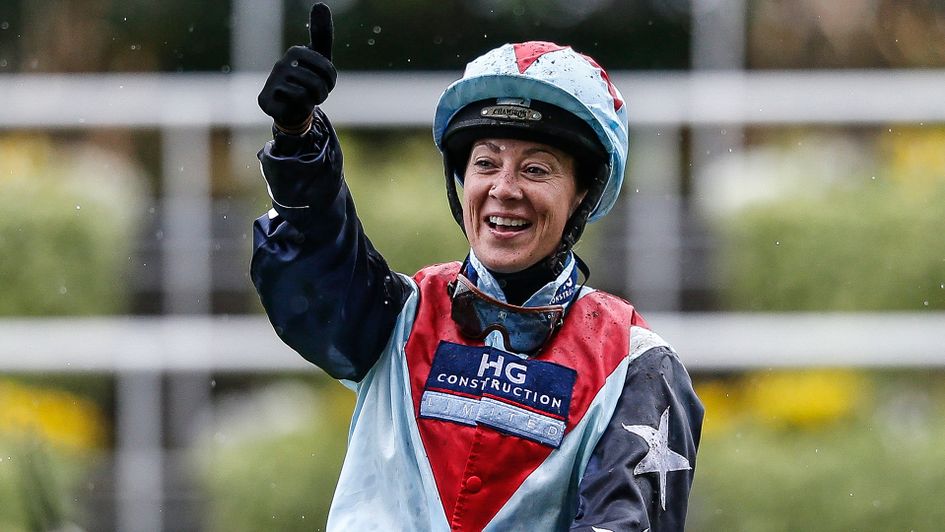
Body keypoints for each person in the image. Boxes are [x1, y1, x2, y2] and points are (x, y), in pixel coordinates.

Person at [252, 3, 703, 531]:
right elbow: (312, 267)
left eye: (536, 168)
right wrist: (297, 138)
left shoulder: (637, 364)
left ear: (582, 193)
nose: (504, 189)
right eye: (485, 163)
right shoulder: (393, 315)